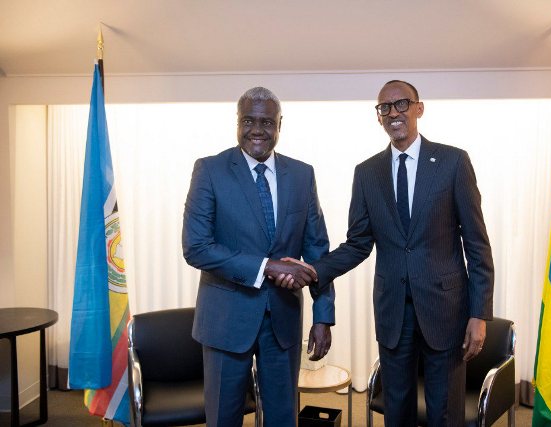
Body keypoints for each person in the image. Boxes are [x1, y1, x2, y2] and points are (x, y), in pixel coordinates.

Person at [284, 80, 494, 426]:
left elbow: (477, 244)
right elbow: (358, 243)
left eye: (402, 104)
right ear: (378, 117)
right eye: (385, 107)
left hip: (445, 310)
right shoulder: (367, 173)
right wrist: (314, 270)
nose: (394, 112)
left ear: (419, 109)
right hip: (393, 312)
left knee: (445, 413)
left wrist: (479, 313)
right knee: (396, 411)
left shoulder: (453, 162)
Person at [182, 86, 335, 427]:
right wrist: (266, 267)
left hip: (283, 319)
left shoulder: (302, 175)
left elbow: (317, 251)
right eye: (248, 120)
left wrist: (323, 316)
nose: (257, 129)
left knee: (283, 418)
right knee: (223, 418)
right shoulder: (209, 170)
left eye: (266, 122)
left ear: (280, 124)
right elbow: (196, 247)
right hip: (225, 320)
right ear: (237, 122)